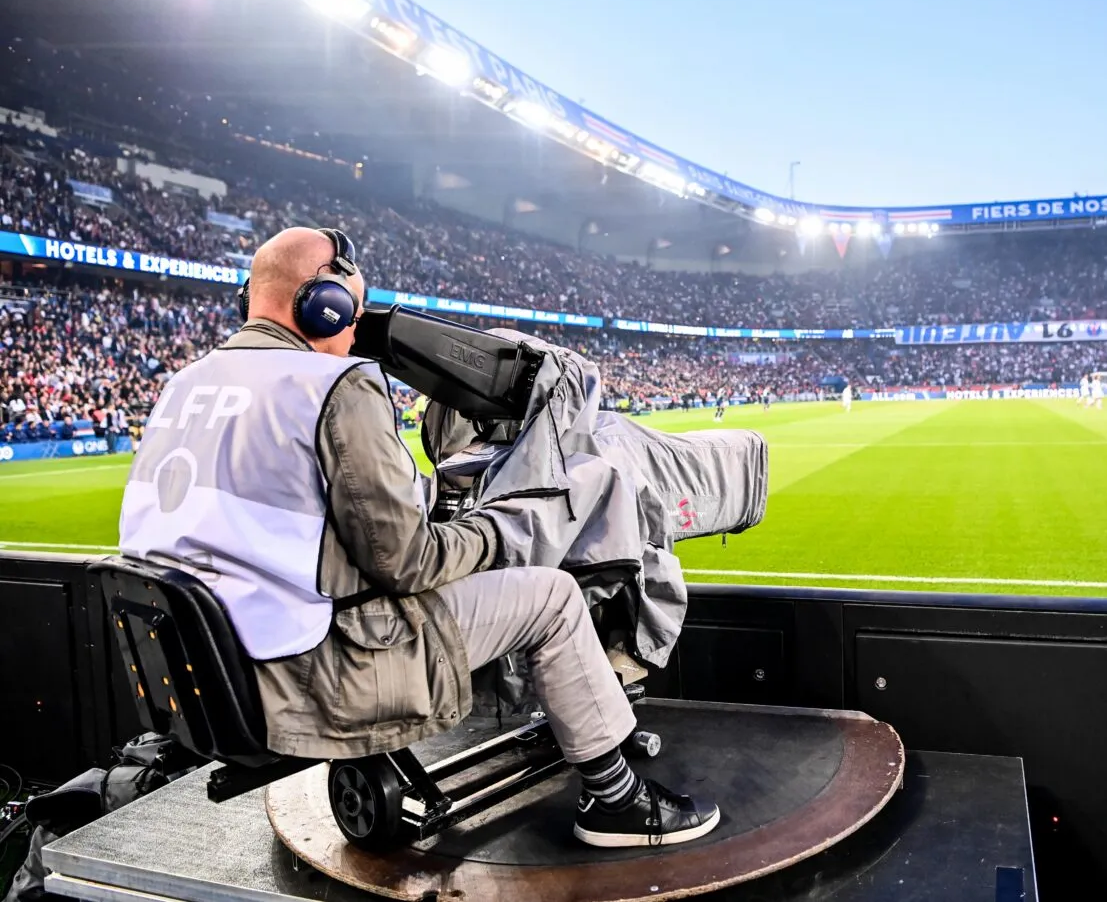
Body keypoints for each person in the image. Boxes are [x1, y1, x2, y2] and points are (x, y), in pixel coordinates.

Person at [116, 228, 719, 849]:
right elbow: (409, 563)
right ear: (324, 304)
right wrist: (495, 529)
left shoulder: (182, 386)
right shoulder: (332, 386)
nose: (355, 333)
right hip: (324, 676)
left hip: (217, 681)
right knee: (553, 597)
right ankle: (616, 803)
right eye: (353, 314)